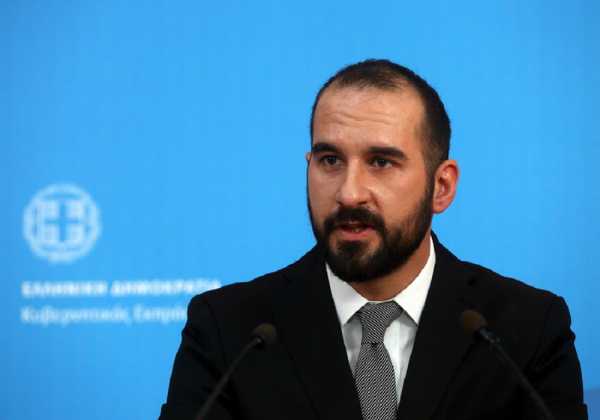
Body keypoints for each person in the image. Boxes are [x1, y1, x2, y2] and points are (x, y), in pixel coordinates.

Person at [159, 59, 587, 420]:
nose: (349, 193)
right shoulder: (230, 332)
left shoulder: (524, 333)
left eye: (381, 162)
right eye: (330, 160)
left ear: (441, 187)